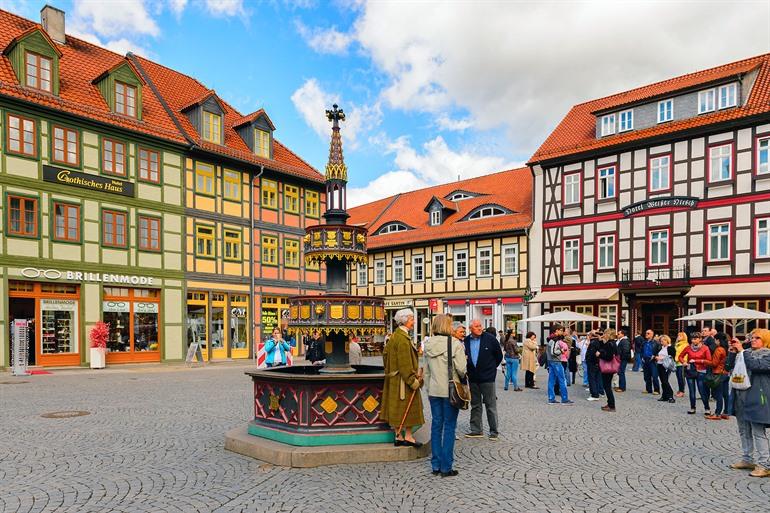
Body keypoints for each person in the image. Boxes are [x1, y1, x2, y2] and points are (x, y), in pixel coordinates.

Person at [423, 314, 467, 477]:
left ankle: (435, 465)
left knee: (436, 426)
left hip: (434, 390)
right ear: (447, 326)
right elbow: (462, 369)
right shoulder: (454, 344)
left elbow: (426, 371)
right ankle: (446, 467)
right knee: (449, 427)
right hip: (450, 390)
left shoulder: (428, 344)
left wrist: (428, 389)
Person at [727, 328, 770, 477]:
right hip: (740, 397)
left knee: (758, 433)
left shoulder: (767, 355)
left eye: (757, 337)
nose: (753, 340)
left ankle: (765, 465)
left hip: (758, 398)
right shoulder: (746, 353)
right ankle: (747, 459)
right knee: (743, 430)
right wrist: (733, 352)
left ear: (765, 340)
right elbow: (728, 366)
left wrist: (742, 351)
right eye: (751, 337)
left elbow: (756, 366)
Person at [381, 308, 424, 447]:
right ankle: (409, 437)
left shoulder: (394, 336)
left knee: (397, 409)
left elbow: (385, 355)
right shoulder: (403, 339)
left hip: (395, 379)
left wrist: (390, 371)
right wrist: (413, 381)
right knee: (408, 408)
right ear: (405, 321)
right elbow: (405, 363)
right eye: (412, 319)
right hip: (403, 382)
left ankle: (398, 435)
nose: (413, 322)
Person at [463, 319, 503, 439]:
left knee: (490, 405)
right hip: (473, 377)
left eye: (480, 326)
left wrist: (491, 369)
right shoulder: (466, 341)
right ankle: (476, 430)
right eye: (476, 326)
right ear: (470, 328)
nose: (480, 328)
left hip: (487, 377)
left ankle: (494, 432)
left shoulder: (490, 339)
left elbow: (499, 356)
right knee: (475, 404)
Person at [677, 332, 712, 415]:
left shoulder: (705, 348)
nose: (693, 341)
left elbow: (709, 361)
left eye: (695, 339)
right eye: (692, 339)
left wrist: (697, 361)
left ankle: (707, 408)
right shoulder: (688, 348)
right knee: (691, 391)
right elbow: (680, 356)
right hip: (690, 371)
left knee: (701, 390)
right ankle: (692, 408)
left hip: (701, 371)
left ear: (700, 339)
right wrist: (684, 362)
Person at [706, 333, 730, 420]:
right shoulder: (727, 348)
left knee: (718, 394)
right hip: (726, 373)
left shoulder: (719, 349)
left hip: (718, 373)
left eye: (715, 340)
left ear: (718, 340)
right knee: (725, 394)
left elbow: (714, 363)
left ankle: (717, 413)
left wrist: (704, 361)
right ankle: (726, 412)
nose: (714, 341)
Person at [546, 325, 572, 405]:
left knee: (551, 380)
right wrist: (561, 351)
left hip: (551, 361)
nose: (562, 332)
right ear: (556, 331)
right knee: (562, 380)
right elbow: (553, 352)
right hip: (556, 362)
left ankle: (551, 398)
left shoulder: (550, 339)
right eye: (561, 330)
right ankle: (564, 399)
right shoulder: (554, 340)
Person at [597, 329, 618, 412]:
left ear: (608, 334)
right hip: (610, 367)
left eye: (605, 333)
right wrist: (601, 341)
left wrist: (600, 355)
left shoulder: (610, 344)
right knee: (607, 386)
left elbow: (608, 357)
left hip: (608, 367)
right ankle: (609, 403)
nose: (604, 334)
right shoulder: (612, 343)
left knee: (607, 387)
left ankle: (611, 405)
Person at [654, 335, 677, 404]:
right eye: (661, 341)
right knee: (662, 381)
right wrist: (656, 357)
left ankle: (671, 396)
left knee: (665, 381)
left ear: (667, 340)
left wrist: (661, 358)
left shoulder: (670, 348)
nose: (662, 342)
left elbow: (672, 357)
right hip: (659, 365)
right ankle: (664, 396)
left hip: (666, 366)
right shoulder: (662, 347)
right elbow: (657, 353)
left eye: (663, 341)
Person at [641, 329, 661, 395]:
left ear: (652, 334)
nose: (646, 334)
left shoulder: (656, 342)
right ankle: (648, 389)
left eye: (648, 333)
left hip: (653, 360)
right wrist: (642, 357)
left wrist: (655, 355)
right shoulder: (644, 342)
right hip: (645, 360)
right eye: (646, 333)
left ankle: (657, 390)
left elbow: (660, 351)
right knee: (646, 376)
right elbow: (641, 350)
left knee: (654, 376)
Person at [586, 330, 603, 401]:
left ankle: (594, 394)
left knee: (592, 378)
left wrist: (588, 360)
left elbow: (591, 354)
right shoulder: (599, 342)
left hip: (593, 363)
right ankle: (599, 391)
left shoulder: (593, 343)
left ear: (590, 336)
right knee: (597, 378)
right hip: (598, 363)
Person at [615, 326, 632, 392]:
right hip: (621, 358)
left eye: (619, 334)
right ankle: (620, 386)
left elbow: (625, 350)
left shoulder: (625, 341)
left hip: (622, 359)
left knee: (621, 372)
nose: (617, 335)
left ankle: (622, 387)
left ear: (622, 334)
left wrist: (620, 358)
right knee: (620, 372)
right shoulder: (622, 340)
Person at [674, 332, 689, 398]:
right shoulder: (677, 344)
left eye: (680, 336)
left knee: (681, 377)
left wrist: (681, 360)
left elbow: (686, 354)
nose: (678, 336)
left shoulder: (685, 344)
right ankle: (680, 390)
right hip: (676, 363)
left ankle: (682, 391)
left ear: (684, 337)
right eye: (678, 335)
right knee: (678, 377)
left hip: (681, 363)